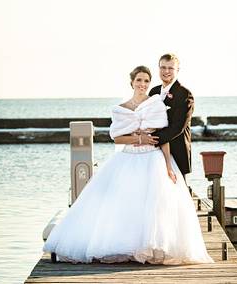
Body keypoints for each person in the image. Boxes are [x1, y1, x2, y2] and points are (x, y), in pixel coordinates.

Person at [43, 66, 213, 265]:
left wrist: (168, 165)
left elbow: (163, 139)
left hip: (153, 159)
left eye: (146, 81)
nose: (142, 84)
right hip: (128, 158)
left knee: (153, 205)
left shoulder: (156, 104)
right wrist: (139, 137)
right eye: (139, 80)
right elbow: (116, 138)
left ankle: (149, 247)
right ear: (131, 82)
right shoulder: (120, 108)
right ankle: (123, 246)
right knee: (124, 203)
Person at [144, 54, 194, 181]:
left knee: (178, 192)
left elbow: (178, 127)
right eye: (163, 67)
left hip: (176, 151)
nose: (166, 71)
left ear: (177, 70)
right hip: (154, 153)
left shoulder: (185, 94)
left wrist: (152, 140)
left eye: (171, 68)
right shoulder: (153, 92)